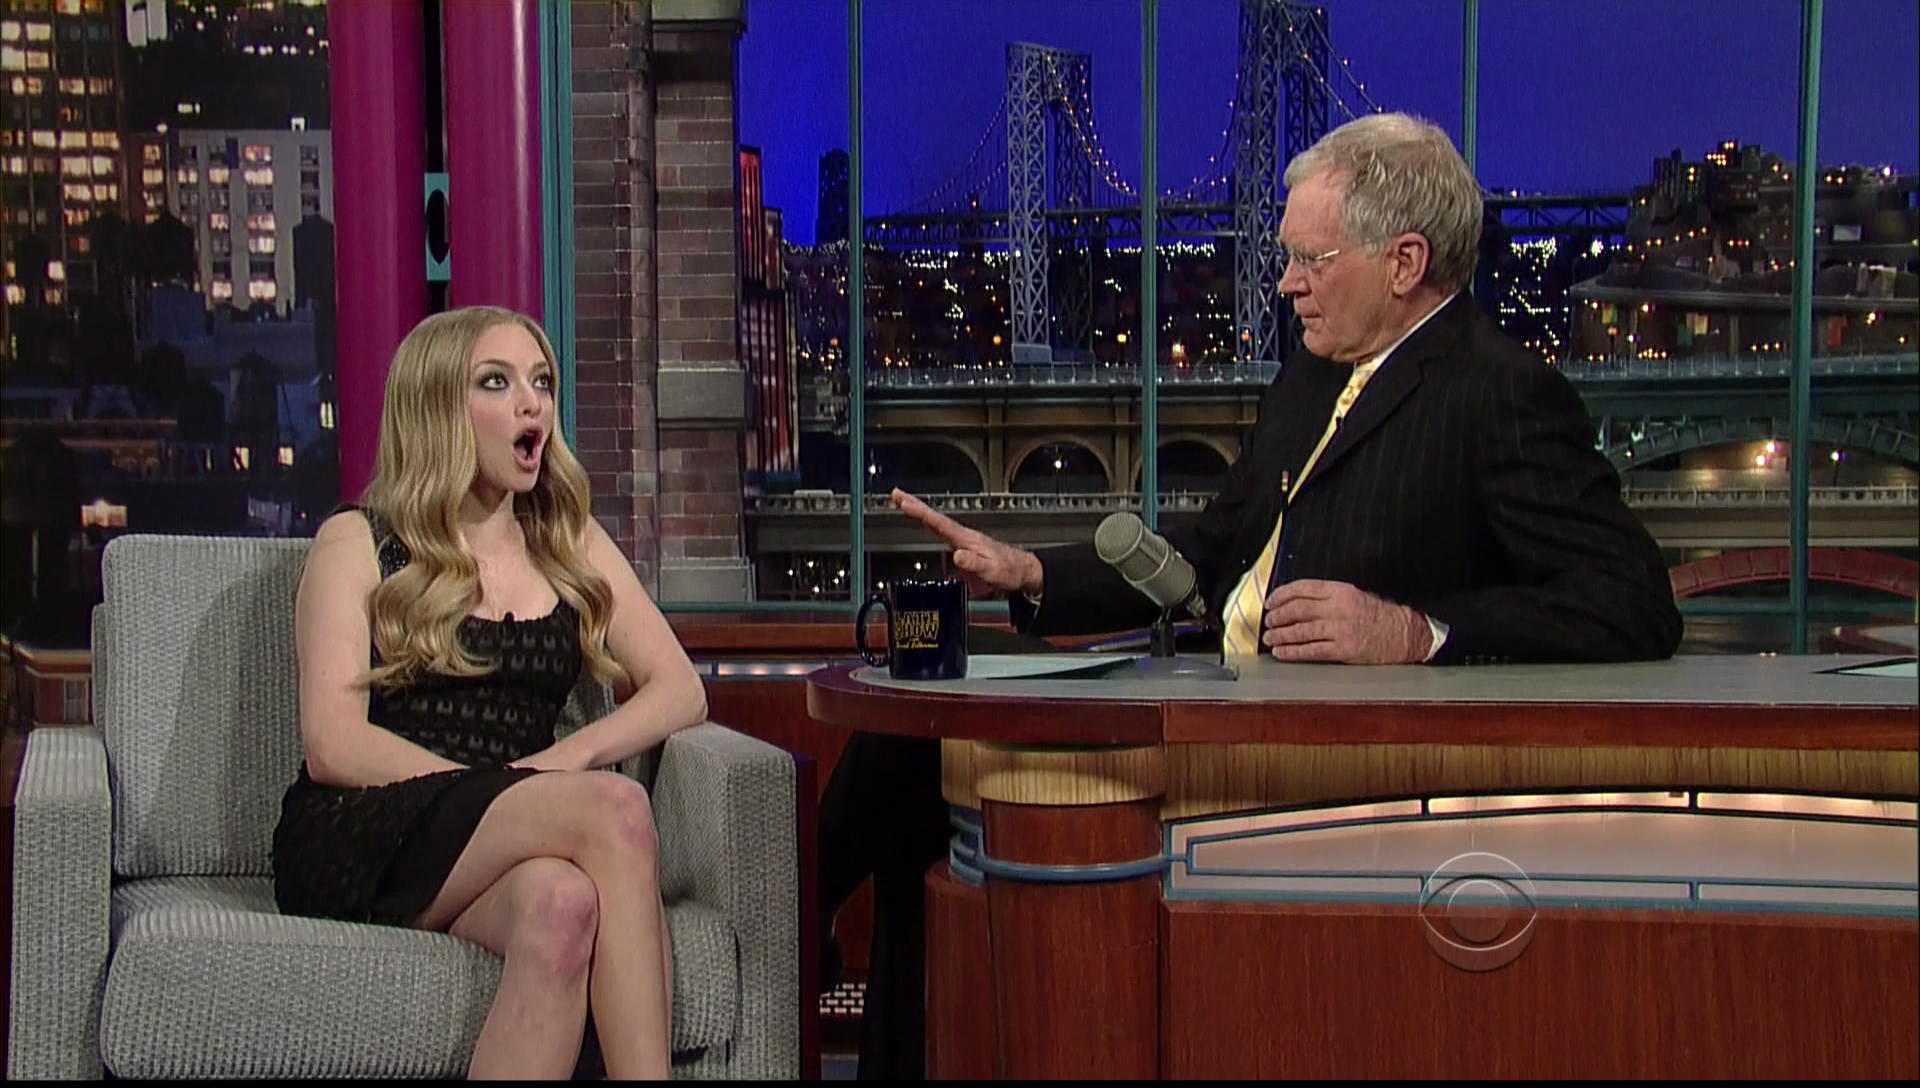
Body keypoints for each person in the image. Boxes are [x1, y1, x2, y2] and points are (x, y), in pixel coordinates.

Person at [820, 112, 1683, 1077]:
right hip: (1203, 693)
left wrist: (1416, 631)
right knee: (923, 719)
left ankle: (791, 928)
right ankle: (822, 954)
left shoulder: (1500, 393)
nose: (1285, 283)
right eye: (1286, 258)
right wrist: (1033, 573)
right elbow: (1210, 551)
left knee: (933, 751)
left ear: (1404, 263)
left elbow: (1633, 599)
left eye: (1311, 259)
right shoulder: (1312, 378)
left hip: (1297, 765)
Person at [271, 306, 709, 1080]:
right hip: (370, 827)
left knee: (563, 909)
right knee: (615, 810)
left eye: (540, 382)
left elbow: (680, 690)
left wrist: (566, 760)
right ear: (438, 406)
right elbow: (331, 742)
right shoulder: (359, 540)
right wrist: (501, 791)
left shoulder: (566, 539)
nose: (531, 403)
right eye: (497, 383)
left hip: (511, 826)